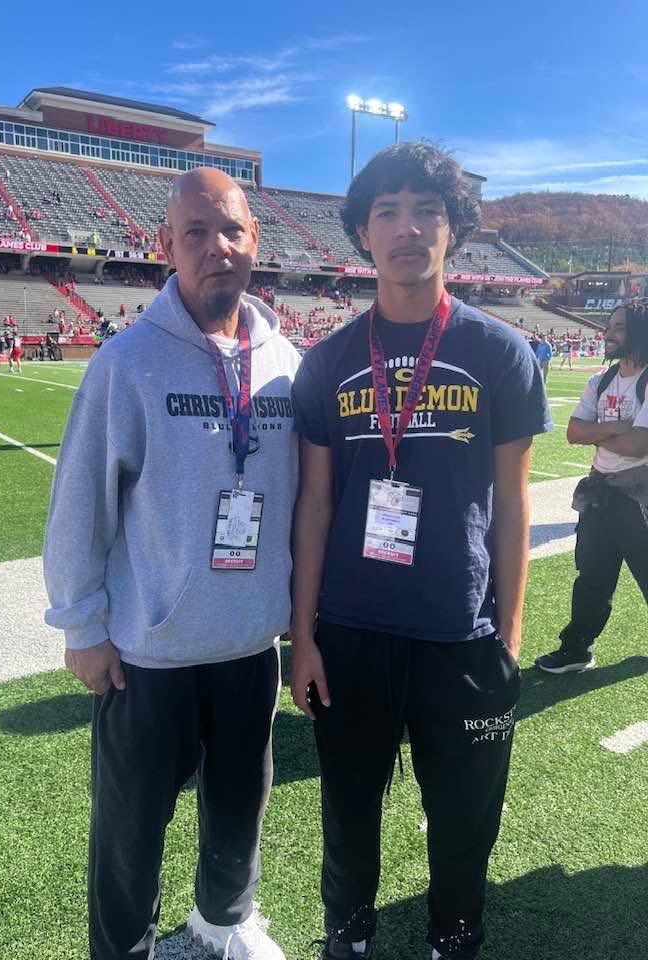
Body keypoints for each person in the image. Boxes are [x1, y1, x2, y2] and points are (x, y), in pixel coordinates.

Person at [289, 142, 551, 960]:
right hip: (352, 634)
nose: (409, 228)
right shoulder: (329, 361)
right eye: (388, 212)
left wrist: (508, 635)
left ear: (454, 229)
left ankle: (455, 933)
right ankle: (349, 931)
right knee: (348, 806)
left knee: (465, 814)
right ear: (362, 234)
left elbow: (513, 504)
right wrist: (303, 637)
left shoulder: (501, 351)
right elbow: (317, 504)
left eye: (427, 210)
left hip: (460, 636)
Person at [44, 167, 300, 960]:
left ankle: (222, 923)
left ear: (255, 237)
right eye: (195, 233)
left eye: (230, 229)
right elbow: (79, 504)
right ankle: (123, 950)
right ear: (166, 246)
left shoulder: (288, 360)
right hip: (149, 652)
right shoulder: (126, 363)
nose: (216, 248)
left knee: (239, 806)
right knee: (127, 828)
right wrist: (81, 625)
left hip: (249, 647)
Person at [536, 299, 648, 673]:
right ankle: (576, 648)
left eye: (618, 326)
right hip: (601, 493)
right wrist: (616, 429)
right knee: (592, 577)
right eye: (608, 326)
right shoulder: (600, 380)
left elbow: (639, 444)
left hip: (640, 497)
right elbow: (571, 432)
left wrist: (595, 434)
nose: (607, 333)